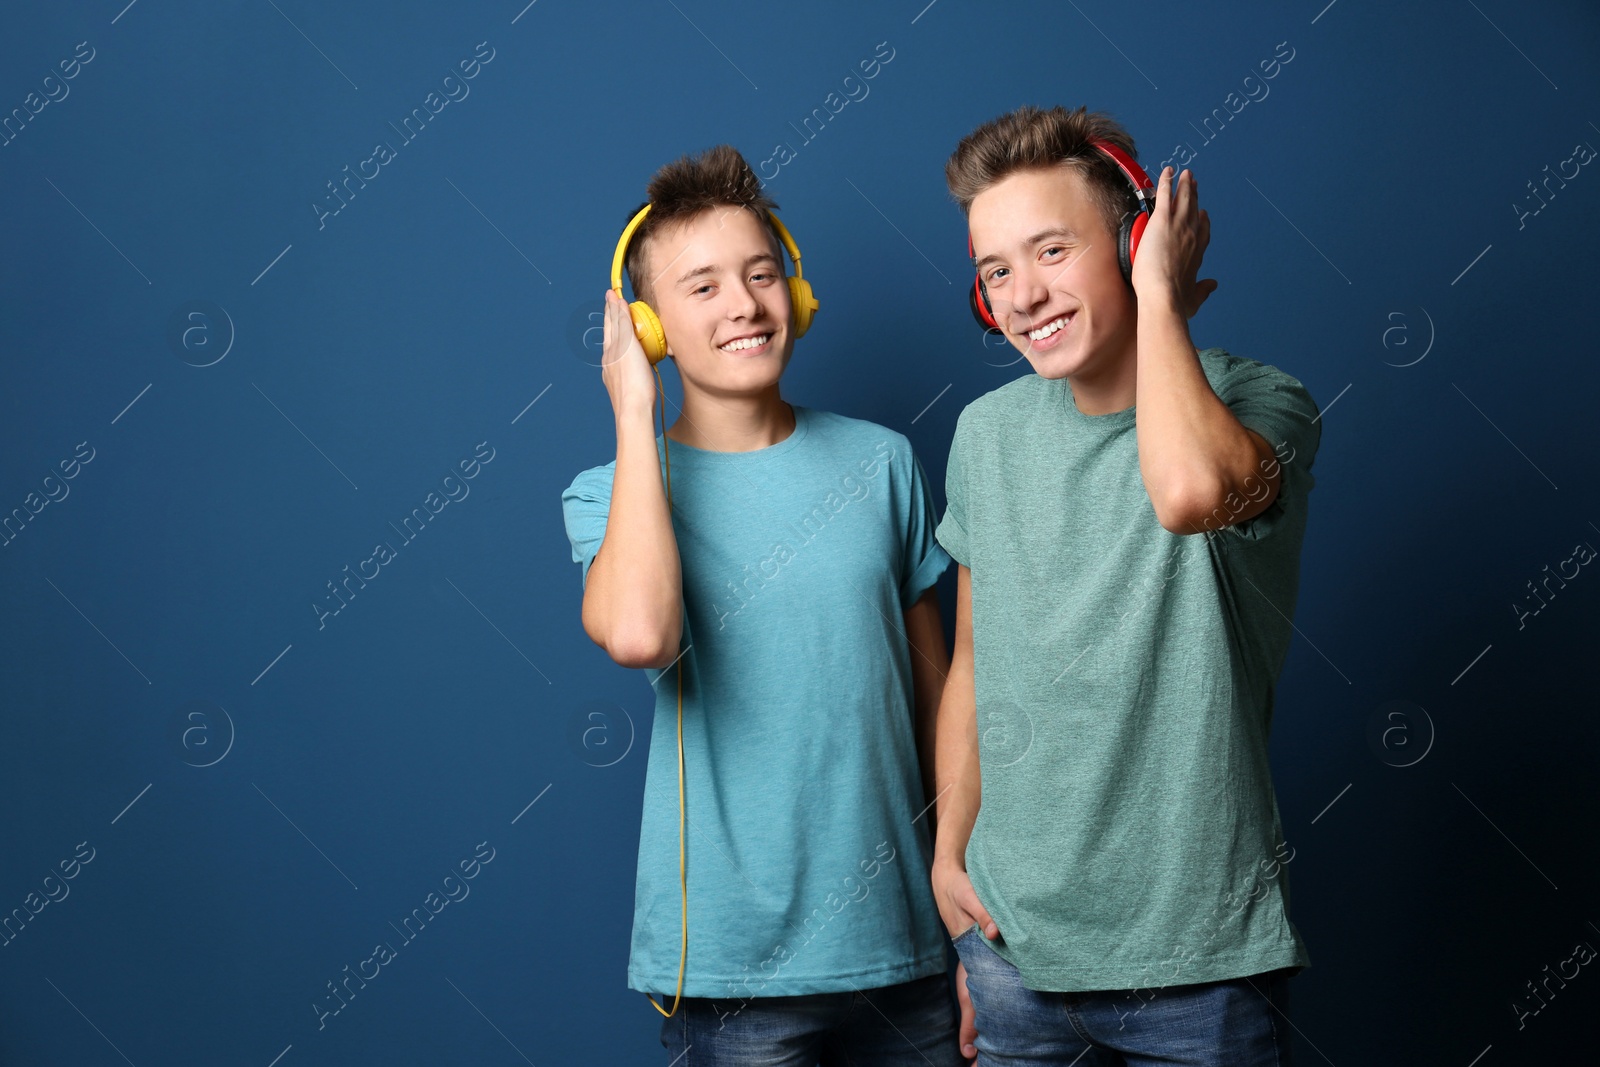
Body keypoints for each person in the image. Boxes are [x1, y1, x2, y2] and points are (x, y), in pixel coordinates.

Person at [930, 104, 1320, 1066]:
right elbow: (975, 660)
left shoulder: (1263, 401)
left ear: (1138, 240)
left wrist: (1158, 299)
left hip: (1199, 967)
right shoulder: (985, 433)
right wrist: (949, 855)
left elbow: (1187, 492)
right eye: (996, 271)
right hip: (1014, 954)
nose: (1022, 295)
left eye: (1052, 250)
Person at [561, 144, 963, 1066]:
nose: (744, 304)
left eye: (761, 274)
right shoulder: (610, 491)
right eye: (701, 287)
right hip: (736, 981)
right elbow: (639, 632)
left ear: (798, 294)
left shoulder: (883, 462)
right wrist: (633, 408)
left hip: (907, 954)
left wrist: (970, 920)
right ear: (650, 326)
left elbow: (938, 697)